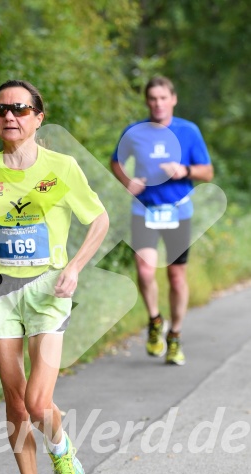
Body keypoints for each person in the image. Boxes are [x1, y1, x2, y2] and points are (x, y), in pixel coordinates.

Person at [0, 79, 109, 474]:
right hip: (0, 288)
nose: (10, 116)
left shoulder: (61, 167)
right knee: (14, 402)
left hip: (49, 289)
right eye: (2, 109)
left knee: (37, 400)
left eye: (21, 109)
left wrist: (76, 266)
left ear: (38, 117)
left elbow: (99, 218)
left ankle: (62, 450)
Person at [110, 76, 213, 365]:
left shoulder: (188, 131)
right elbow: (116, 161)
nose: (158, 103)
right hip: (145, 209)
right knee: (144, 271)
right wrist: (127, 181)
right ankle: (155, 321)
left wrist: (184, 170)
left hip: (178, 210)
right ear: (147, 102)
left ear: (173, 99)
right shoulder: (135, 132)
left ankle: (175, 335)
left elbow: (207, 172)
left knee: (176, 276)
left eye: (163, 98)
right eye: (152, 98)